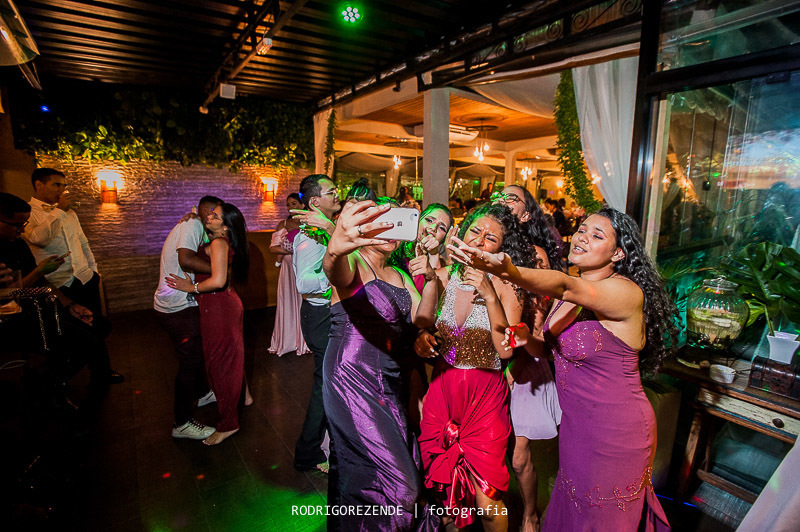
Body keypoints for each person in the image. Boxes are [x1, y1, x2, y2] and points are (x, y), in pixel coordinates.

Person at [448, 208, 677, 532]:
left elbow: (565, 286)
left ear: (618, 253)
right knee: (574, 508)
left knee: (601, 519)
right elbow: (552, 351)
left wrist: (510, 271)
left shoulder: (625, 292)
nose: (583, 236)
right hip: (577, 428)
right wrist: (529, 339)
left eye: (597, 235)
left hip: (615, 432)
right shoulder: (568, 296)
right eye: (582, 229)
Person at [415, 203, 536, 531]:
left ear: (502, 248)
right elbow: (423, 325)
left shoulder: (509, 286)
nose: (480, 240)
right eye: (475, 232)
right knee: (445, 482)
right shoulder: (443, 275)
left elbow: (506, 351)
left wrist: (489, 294)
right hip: (443, 389)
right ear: (460, 234)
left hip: (484, 396)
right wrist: (423, 337)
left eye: (491, 237)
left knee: (487, 495)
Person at [321, 198, 431, 531]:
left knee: (365, 468)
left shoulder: (398, 273)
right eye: (380, 221)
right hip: (352, 378)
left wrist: (434, 279)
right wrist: (336, 249)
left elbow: (421, 317)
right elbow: (335, 272)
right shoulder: (353, 261)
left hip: (391, 380)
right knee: (403, 488)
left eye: (394, 221)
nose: (388, 229)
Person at [492, 184, 562, 532]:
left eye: (513, 198)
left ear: (525, 214)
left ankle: (530, 515)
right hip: (487, 363)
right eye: (499, 196)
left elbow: (534, 321)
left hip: (522, 361)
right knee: (495, 448)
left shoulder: (535, 255)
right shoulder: (486, 250)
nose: (504, 201)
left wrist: (512, 363)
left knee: (519, 458)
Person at [0, 192, 114, 397]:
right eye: (17, 225)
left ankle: (46, 380)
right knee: (81, 342)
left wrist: (70, 305)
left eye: (23, 225)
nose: (21, 230)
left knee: (99, 325)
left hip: (42, 305)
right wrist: (39, 271)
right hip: (13, 320)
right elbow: (12, 292)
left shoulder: (18, 245)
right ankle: (45, 385)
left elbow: (40, 280)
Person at [166, 202, 249, 446]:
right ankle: (245, 399)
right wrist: (192, 215)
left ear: (225, 225)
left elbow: (219, 280)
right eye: (209, 213)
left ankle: (228, 425)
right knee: (228, 359)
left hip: (219, 307)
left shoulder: (219, 243)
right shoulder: (217, 240)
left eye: (215, 215)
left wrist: (190, 287)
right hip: (218, 307)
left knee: (221, 364)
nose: (209, 216)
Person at [154, 195, 223, 440]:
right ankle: (181, 422)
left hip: (180, 303)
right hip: (177, 306)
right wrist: (220, 269)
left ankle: (203, 393)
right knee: (189, 362)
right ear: (209, 212)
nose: (217, 218)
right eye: (216, 213)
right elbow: (185, 259)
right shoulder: (192, 225)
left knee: (196, 354)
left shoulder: (197, 227)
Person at [292, 174, 341, 472]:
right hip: (320, 318)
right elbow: (303, 281)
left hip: (325, 316)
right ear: (315, 202)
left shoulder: (324, 231)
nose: (338, 194)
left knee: (329, 384)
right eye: (331, 191)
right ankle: (307, 451)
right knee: (324, 386)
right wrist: (332, 279)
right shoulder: (308, 235)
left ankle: (320, 444)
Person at [23, 168, 103, 315]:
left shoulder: (70, 212)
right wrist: (59, 211)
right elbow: (39, 239)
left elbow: (83, 242)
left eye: (64, 186)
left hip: (84, 277)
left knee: (96, 323)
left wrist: (94, 271)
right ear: (39, 185)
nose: (62, 190)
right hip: (56, 283)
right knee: (70, 330)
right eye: (56, 185)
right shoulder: (28, 211)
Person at [268, 193, 310, 356]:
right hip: (287, 268)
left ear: (302, 205)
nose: (290, 207)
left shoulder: (309, 223)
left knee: (303, 302)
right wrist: (293, 248)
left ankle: (303, 341)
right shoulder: (283, 223)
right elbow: (273, 247)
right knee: (287, 301)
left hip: (302, 266)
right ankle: (287, 340)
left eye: (294, 203)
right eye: (288, 204)